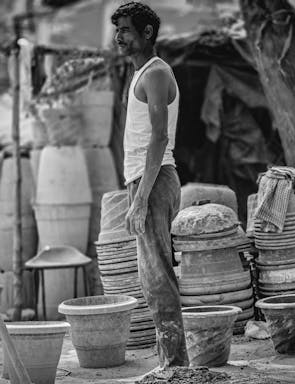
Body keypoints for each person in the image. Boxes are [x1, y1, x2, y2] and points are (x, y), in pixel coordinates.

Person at [111, 1, 188, 369]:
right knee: (151, 274)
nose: (118, 37)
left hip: (153, 181)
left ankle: (175, 367)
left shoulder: (156, 74)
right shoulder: (142, 73)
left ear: (147, 33)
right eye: (117, 30)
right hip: (145, 180)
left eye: (125, 30)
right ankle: (172, 365)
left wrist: (140, 199)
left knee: (158, 276)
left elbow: (159, 139)